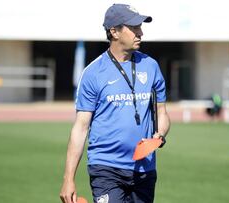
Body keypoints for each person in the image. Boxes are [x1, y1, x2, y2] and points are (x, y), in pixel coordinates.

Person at [60, 4, 171, 203]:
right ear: (114, 32)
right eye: (134, 27)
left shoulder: (151, 66)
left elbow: (161, 113)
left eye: (140, 27)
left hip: (145, 168)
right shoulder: (93, 73)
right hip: (106, 168)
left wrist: (159, 135)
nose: (141, 33)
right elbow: (80, 127)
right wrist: (69, 179)